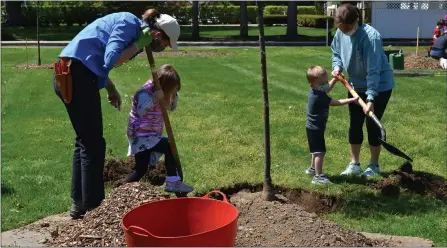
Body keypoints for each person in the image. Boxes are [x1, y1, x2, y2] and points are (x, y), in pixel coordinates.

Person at [53, 9, 181, 219]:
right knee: (93, 144)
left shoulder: (131, 27)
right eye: (166, 43)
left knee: (84, 141)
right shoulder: (128, 23)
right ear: (158, 35)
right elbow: (110, 58)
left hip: (72, 74)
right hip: (75, 77)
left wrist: (109, 87)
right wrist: (138, 45)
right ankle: (95, 208)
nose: (164, 47)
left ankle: (80, 205)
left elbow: (93, 61)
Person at [330, 3, 395, 178]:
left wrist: (371, 99)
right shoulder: (340, 33)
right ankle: (355, 164)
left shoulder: (370, 37)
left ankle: (374, 165)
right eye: (341, 27)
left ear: (356, 21)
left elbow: (373, 71)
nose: (344, 31)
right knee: (355, 123)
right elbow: (336, 53)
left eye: (347, 27)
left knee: (372, 125)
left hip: (379, 85)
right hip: (355, 86)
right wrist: (337, 67)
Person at [123, 64, 193, 193]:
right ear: (164, 84)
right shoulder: (145, 92)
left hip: (149, 134)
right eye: (171, 90)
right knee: (169, 146)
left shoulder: (162, 93)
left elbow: (170, 108)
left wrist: (174, 95)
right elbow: (141, 111)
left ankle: (120, 191)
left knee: (141, 169)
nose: (171, 94)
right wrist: (154, 99)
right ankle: (172, 182)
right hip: (141, 135)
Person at [304, 66, 358, 184]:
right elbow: (335, 102)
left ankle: (312, 169)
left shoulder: (316, 90)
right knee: (320, 152)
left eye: (326, 81)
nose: (325, 84)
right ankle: (318, 177)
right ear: (312, 84)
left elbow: (327, 88)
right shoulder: (319, 96)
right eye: (323, 83)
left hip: (312, 127)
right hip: (316, 128)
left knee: (315, 151)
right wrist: (352, 100)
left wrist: (335, 79)